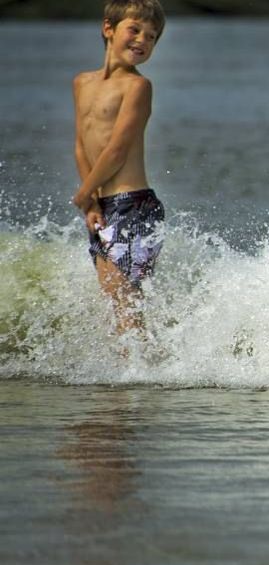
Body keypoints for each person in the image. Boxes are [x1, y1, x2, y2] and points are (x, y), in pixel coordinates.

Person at [72, 0, 166, 335]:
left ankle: (135, 378)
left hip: (134, 206)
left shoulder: (138, 87)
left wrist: (82, 194)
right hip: (101, 207)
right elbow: (82, 144)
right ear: (108, 28)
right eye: (135, 29)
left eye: (152, 37)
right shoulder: (82, 83)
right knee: (113, 302)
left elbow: (117, 151)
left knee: (127, 300)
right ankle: (127, 381)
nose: (143, 40)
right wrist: (92, 201)